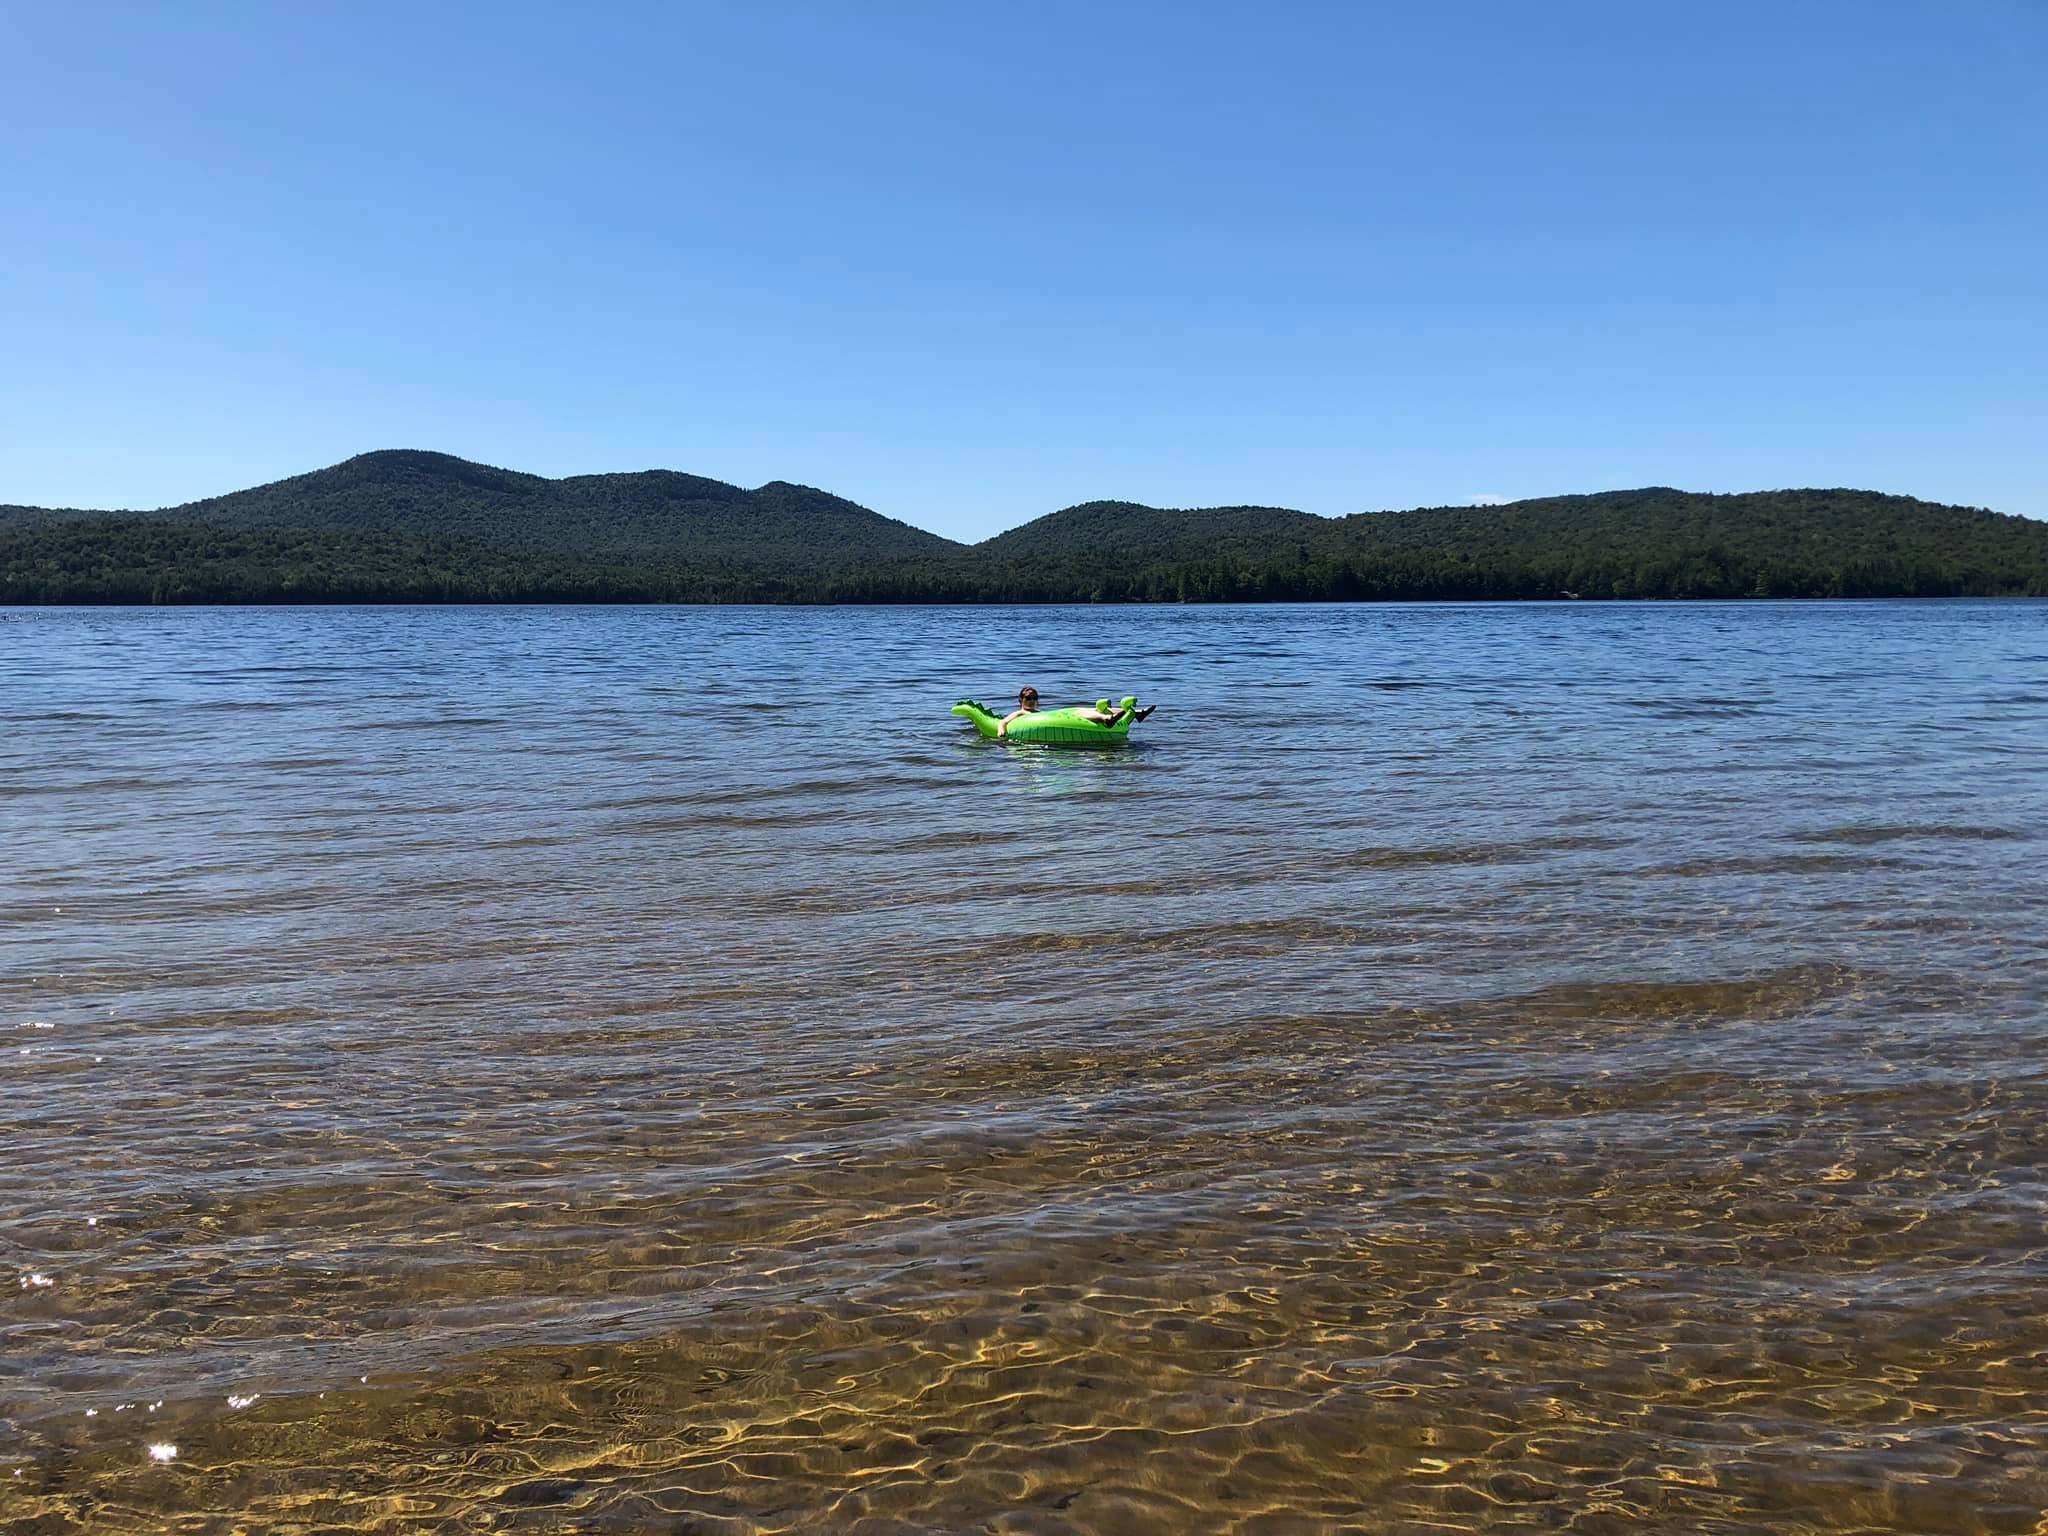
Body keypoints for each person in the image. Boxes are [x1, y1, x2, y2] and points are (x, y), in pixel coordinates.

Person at [996, 685, 1155, 737]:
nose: (1031, 701)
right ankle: (1105, 718)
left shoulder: (1039, 713)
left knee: (1086, 709)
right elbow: (1004, 721)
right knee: (1080, 711)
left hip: (1058, 716)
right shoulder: (1022, 713)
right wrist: (1001, 733)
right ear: (1020, 701)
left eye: (1034, 698)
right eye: (1027, 698)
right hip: (1053, 719)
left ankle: (1134, 712)